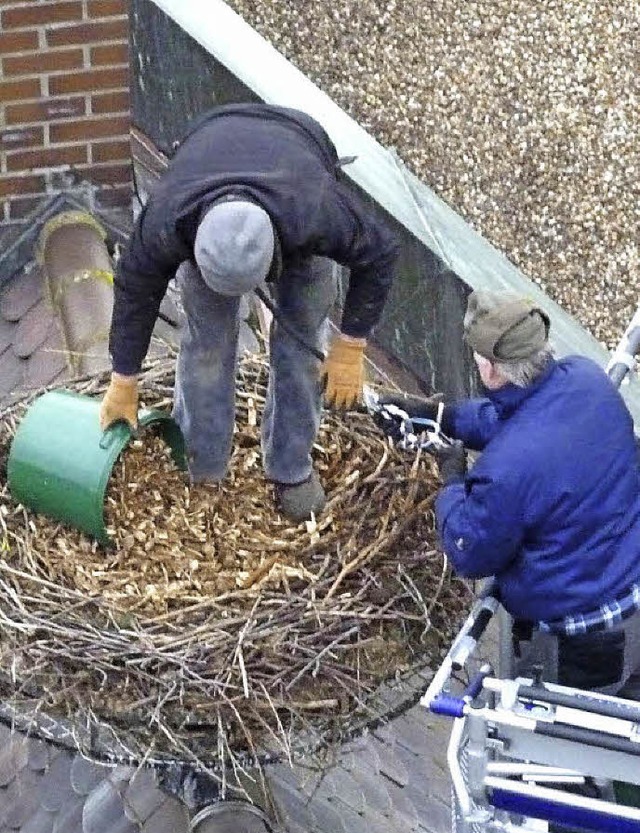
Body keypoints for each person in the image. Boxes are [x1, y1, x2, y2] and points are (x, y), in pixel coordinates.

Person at [99, 103, 399, 522]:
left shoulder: (316, 210)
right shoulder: (168, 219)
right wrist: (123, 378)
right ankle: (201, 467)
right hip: (210, 144)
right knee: (207, 344)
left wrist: (351, 345)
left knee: (302, 340)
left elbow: (381, 252)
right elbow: (135, 292)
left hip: (298, 153)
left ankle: (291, 468)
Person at [392, 289, 640, 699]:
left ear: (491, 369)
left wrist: (452, 484)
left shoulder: (505, 472)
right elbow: (517, 420)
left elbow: (469, 551)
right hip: (631, 592)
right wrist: (442, 417)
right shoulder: (586, 379)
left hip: (584, 641)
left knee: (567, 747)